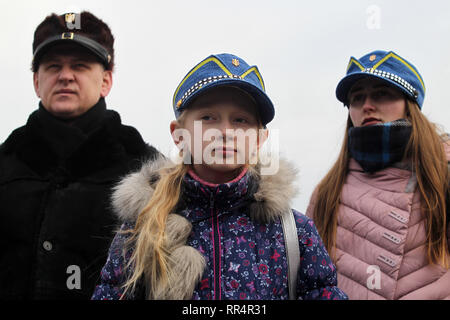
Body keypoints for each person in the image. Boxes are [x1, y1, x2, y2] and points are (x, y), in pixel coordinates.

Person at [91, 53, 348, 300]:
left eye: (241, 120)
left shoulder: (294, 232)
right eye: (208, 118)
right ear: (178, 135)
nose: (225, 131)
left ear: (260, 139)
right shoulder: (142, 226)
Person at [0, 11, 159, 299]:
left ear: (106, 81)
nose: (65, 76)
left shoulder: (148, 172)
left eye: (80, 65)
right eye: (52, 66)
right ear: (37, 81)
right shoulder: (5, 163)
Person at [306, 50, 450, 299]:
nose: (367, 106)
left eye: (382, 94)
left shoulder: (442, 177)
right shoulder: (327, 192)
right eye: (357, 98)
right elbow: (311, 280)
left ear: (410, 105)